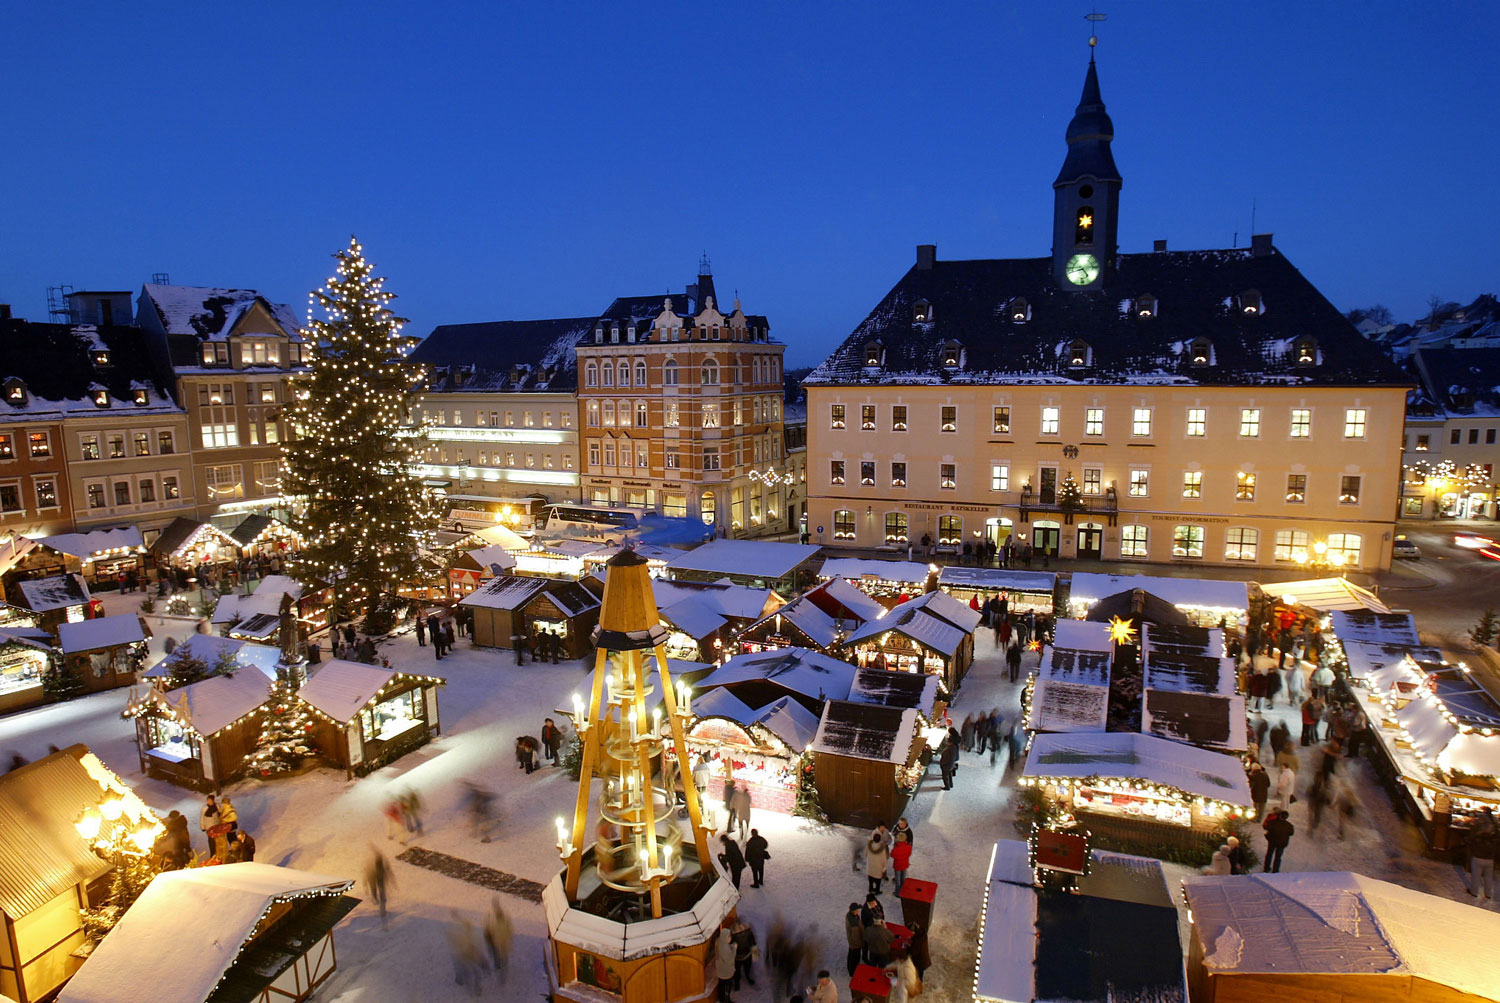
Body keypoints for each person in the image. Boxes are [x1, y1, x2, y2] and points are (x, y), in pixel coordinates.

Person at [1468, 806, 1499, 902]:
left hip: (1478, 854)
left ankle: (1474, 892)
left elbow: (1472, 833)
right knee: (1488, 876)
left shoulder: (1480, 820)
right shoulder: (1495, 822)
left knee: (1476, 875)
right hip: (1490, 856)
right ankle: (1488, 894)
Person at [483, 899, 512, 979]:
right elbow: (510, 929)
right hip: (502, 941)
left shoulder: (493, 920)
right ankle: (502, 966)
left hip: (498, 941)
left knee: (497, 954)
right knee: (502, 954)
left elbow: (488, 929)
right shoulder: (504, 919)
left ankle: (499, 965)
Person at [365, 847, 392, 926]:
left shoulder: (373, 867)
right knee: (382, 897)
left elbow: (368, 875)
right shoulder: (378, 868)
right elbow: (388, 873)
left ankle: (377, 901)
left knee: (378, 894)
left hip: (377, 883)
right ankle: (382, 910)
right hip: (379, 882)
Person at [1263, 809, 1295, 873]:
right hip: (1282, 843)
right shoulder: (1289, 825)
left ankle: (1266, 868)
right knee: (1278, 857)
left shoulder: (1273, 822)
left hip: (1272, 841)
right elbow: (1291, 833)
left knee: (1269, 854)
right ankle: (1275, 870)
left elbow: (1266, 827)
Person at [731, 917, 757, 990]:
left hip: (737, 957)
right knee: (747, 968)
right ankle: (748, 978)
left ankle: (737, 984)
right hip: (747, 954)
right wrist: (755, 953)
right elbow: (752, 941)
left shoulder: (732, 933)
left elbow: (731, 945)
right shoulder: (748, 930)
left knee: (737, 971)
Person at [714, 924, 737, 1001]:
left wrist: (731, 947)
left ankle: (721, 999)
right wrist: (734, 949)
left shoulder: (719, 942)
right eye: (729, 937)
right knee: (727, 988)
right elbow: (730, 959)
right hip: (726, 973)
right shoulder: (724, 948)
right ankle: (727, 1000)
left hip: (720, 971)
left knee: (721, 986)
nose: (730, 938)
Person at [844, 902, 864, 976]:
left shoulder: (849, 915)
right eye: (857, 910)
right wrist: (860, 944)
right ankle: (852, 972)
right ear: (853, 911)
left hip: (852, 943)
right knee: (854, 957)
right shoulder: (854, 923)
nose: (858, 911)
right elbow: (856, 937)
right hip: (855, 944)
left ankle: (851, 969)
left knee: (851, 956)